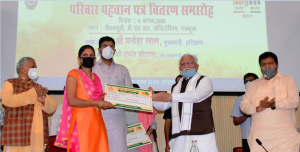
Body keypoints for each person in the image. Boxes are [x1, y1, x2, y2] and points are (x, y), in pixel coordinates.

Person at [151, 53, 218, 152]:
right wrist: (152, 98)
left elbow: (196, 96)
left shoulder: (204, 80)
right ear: (179, 68)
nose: (186, 66)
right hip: (179, 137)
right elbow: (163, 106)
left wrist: (171, 97)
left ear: (197, 66)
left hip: (201, 134)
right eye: (183, 64)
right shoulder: (174, 87)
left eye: (190, 63)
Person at [54, 45, 114, 152]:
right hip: (81, 124)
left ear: (95, 59)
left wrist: (105, 101)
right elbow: (71, 100)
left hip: (96, 122)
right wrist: (98, 103)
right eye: (85, 55)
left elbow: (98, 101)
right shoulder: (74, 75)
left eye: (91, 55)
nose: (88, 57)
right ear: (79, 59)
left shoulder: (96, 78)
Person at [240, 52, 300, 152]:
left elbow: (294, 101)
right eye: (264, 64)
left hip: (285, 138)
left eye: (270, 63)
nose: (267, 67)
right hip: (260, 138)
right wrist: (256, 108)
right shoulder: (253, 85)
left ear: (277, 65)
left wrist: (275, 104)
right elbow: (243, 105)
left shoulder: (288, 80)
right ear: (260, 67)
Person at [0, 57, 57, 152]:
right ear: (22, 68)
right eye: (32, 66)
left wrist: (43, 100)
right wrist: (33, 94)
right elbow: (6, 100)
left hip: (37, 137)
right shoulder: (10, 83)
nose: (35, 69)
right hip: (16, 135)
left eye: (36, 67)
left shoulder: (38, 87)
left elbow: (52, 108)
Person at [92, 36, 132, 152]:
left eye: (111, 46)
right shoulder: (92, 69)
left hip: (118, 119)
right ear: (99, 50)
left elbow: (130, 94)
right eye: (105, 46)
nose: (108, 48)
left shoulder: (123, 69)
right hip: (97, 117)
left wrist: (144, 96)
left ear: (114, 50)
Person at [125, 84, 157, 152]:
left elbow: (153, 124)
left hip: (143, 141)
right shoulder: (124, 109)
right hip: (129, 143)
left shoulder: (145, 108)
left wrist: (149, 132)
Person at [231, 73, 258, 152]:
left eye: (251, 80)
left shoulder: (263, 98)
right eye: (246, 81)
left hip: (262, 136)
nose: (249, 83)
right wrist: (247, 114)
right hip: (247, 137)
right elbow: (235, 121)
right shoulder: (240, 100)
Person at [163, 75, 182, 152]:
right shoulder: (171, 103)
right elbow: (167, 123)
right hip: (174, 140)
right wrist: (167, 142)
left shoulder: (191, 102)